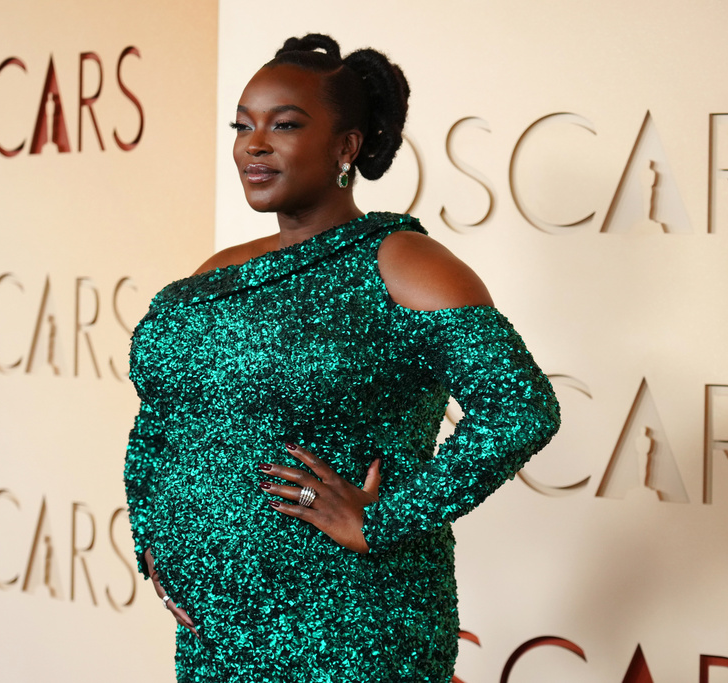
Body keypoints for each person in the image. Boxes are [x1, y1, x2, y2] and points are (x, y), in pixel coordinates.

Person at [124, 34, 560, 682]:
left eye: (284, 125)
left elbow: (520, 409)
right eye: (242, 126)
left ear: (346, 146)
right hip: (216, 631)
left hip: (350, 623)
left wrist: (385, 519)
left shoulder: (403, 263)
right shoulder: (216, 273)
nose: (253, 144)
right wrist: (154, 539)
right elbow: (162, 416)